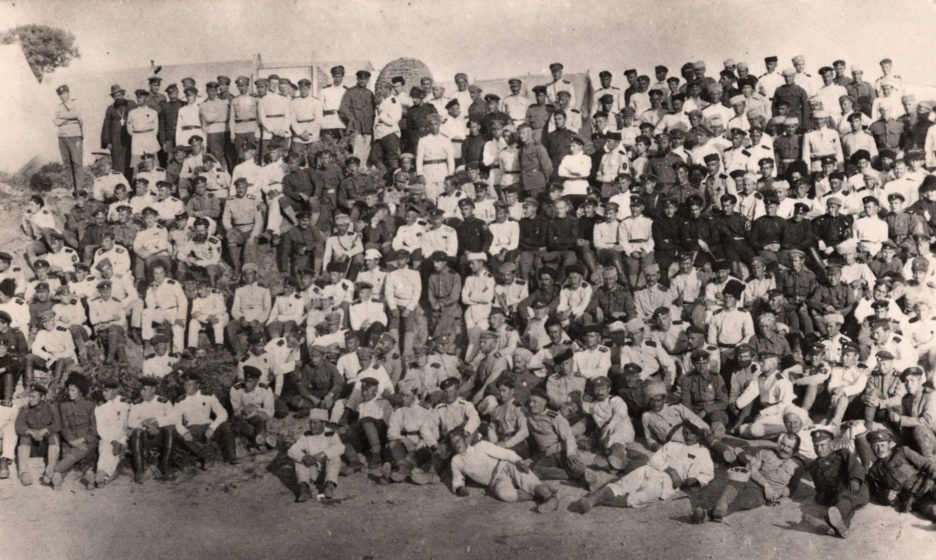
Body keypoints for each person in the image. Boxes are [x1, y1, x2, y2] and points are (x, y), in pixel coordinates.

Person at [569, 422, 714, 513]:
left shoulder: (703, 452)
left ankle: (595, 499)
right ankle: (591, 500)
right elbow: (655, 459)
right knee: (622, 484)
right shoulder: (672, 445)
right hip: (650, 470)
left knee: (638, 498)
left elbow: (707, 474)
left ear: (698, 435)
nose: (688, 436)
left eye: (692, 433)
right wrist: (671, 470)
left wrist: (696, 480)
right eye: (685, 432)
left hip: (667, 484)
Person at [692, 432, 801, 522]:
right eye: (783, 444)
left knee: (746, 500)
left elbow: (792, 487)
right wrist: (766, 485)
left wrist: (778, 493)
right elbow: (753, 470)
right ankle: (720, 504)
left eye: (789, 447)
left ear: (795, 450)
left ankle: (710, 513)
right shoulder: (765, 452)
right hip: (752, 480)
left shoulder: (797, 466)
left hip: (763, 494)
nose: (784, 449)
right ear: (778, 443)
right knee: (737, 480)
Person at [447, 428, 559, 513]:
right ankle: (540, 495)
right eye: (453, 443)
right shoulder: (456, 460)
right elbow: (457, 479)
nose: (456, 444)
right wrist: (459, 488)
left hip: (506, 467)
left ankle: (550, 498)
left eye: (458, 440)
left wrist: (518, 462)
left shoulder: (480, 446)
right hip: (495, 481)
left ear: (465, 439)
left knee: (528, 481)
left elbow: (505, 453)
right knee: (503, 494)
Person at [807, 427, 870, 538]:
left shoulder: (842, 453)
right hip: (837, 497)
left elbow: (855, 466)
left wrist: (855, 479)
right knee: (845, 505)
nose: (819, 449)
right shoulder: (813, 466)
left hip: (855, 489)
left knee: (844, 498)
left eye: (822, 445)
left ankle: (830, 520)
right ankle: (841, 527)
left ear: (831, 443)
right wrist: (821, 497)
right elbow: (819, 488)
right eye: (815, 446)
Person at [288, 408, 345, 503]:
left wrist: (323, 455)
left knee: (335, 457)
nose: (312, 426)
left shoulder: (331, 434)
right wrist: (304, 457)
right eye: (310, 422)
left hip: (327, 472)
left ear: (323, 424)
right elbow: (292, 450)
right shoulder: (306, 435)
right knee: (299, 460)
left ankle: (329, 486)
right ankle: (304, 489)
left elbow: (340, 447)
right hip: (312, 472)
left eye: (315, 423)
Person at [15, 383, 60, 486]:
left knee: (54, 436)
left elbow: (58, 424)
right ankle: (23, 473)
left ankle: (50, 469)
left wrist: (46, 430)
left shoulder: (50, 408)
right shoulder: (25, 408)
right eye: (30, 396)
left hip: (45, 444)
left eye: (33, 397)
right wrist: (29, 431)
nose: (30, 399)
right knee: (24, 437)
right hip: (31, 445)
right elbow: (19, 425)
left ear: (42, 398)